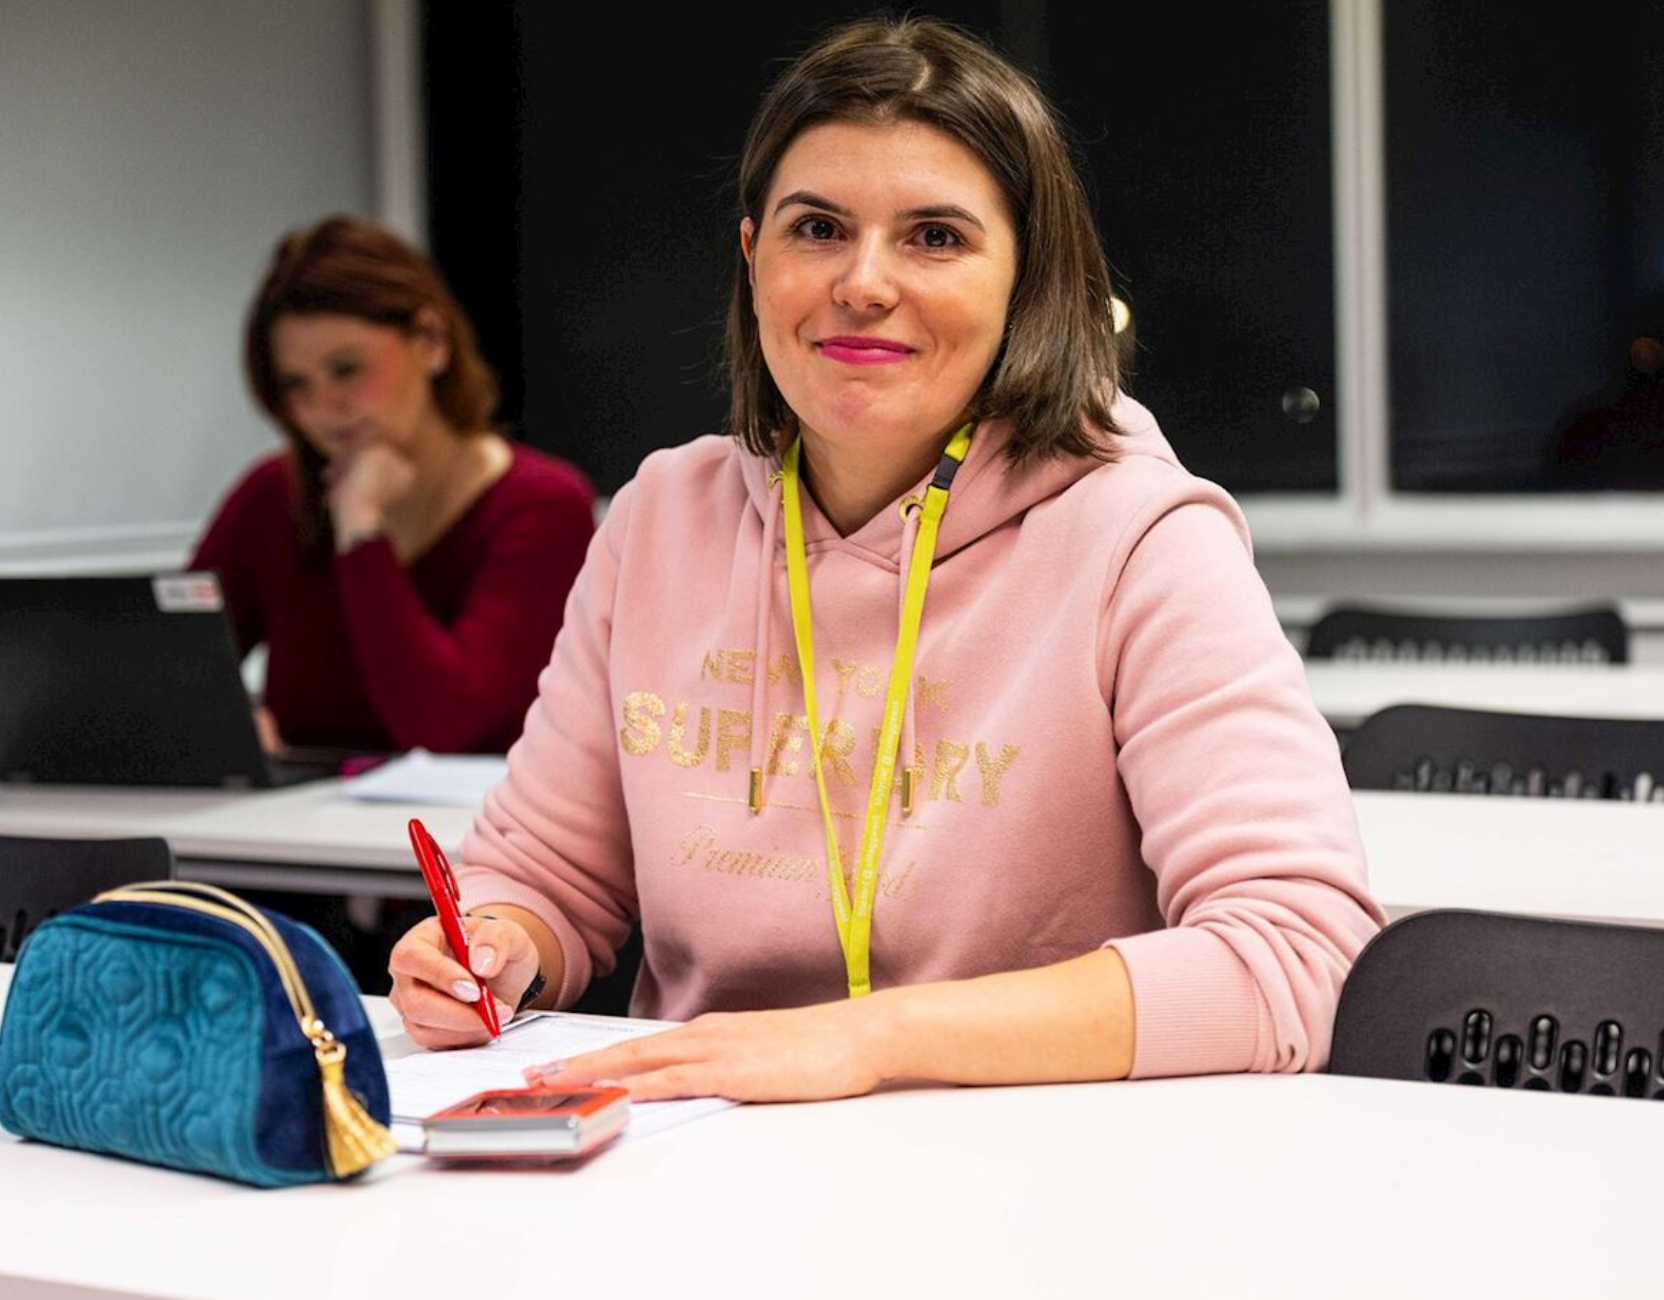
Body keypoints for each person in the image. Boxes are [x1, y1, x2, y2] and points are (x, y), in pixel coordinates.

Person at [388, 13, 1385, 1101]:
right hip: (695, 1170)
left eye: (935, 237)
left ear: (1026, 281)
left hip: (1044, 1181)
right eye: (816, 228)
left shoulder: (1140, 538)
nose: (863, 282)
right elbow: (543, 875)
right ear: (750, 257)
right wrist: (487, 945)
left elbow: (1294, 957)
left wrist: (865, 1039)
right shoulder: (659, 519)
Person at [188, 214, 596, 756]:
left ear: (430, 341)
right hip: (288, 830)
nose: (324, 408)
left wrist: (360, 529)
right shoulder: (271, 495)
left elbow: (446, 725)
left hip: (464, 835)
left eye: (347, 369)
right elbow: (163, 676)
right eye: (296, 384)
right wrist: (229, 726)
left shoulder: (542, 506)